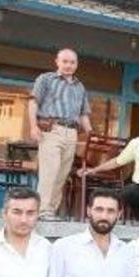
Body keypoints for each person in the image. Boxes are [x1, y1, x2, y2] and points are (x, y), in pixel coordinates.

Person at [29, 48, 93, 220]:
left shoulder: (80, 87)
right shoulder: (46, 79)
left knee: (62, 173)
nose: (68, 65)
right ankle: (42, 209)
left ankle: (50, 209)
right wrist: (33, 126)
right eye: (65, 61)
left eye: (72, 62)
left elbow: (83, 114)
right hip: (51, 129)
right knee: (50, 170)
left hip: (72, 133)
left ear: (76, 64)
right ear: (57, 61)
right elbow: (33, 102)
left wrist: (90, 132)